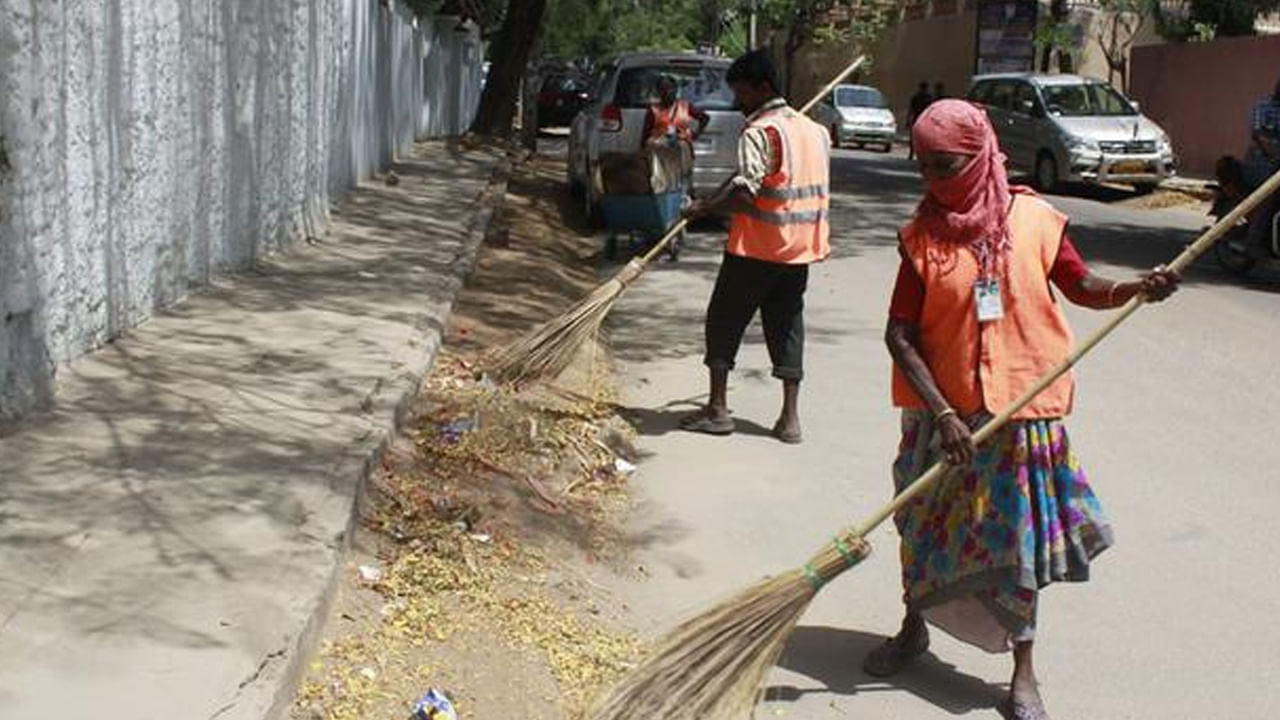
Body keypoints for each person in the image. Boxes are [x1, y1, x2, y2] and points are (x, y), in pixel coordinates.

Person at [865, 100, 1180, 720]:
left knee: (1017, 547)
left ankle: (1023, 671)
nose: (935, 180)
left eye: (946, 165)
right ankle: (913, 627)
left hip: (1021, 417)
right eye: (924, 167)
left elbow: (1081, 285)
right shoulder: (922, 236)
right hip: (943, 424)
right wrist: (945, 413)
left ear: (980, 154)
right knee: (923, 528)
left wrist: (1133, 289)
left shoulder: (1036, 219)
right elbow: (900, 333)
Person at [679, 50, 831, 445]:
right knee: (787, 327)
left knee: (724, 320)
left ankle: (716, 410)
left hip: (757, 248)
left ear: (762, 87)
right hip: (798, 250)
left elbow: (747, 197)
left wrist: (704, 208)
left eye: (741, 91)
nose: (737, 100)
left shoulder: (760, 132)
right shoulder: (814, 131)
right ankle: (789, 420)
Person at [1244, 76, 1280, 253]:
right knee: (1269, 197)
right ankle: (1253, 242)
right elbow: (1258, 134)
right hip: (1262, 164)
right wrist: (1273, 155)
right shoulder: (1263, 107)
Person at [906, 82, 934, 160]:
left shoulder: (917, 96)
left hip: (918, 118)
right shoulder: (929, 97)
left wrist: (908, 120)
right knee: (923, 137)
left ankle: (912, 153)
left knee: (915, 137)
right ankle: (919, 154)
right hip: (925, 119)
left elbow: (911, 109)